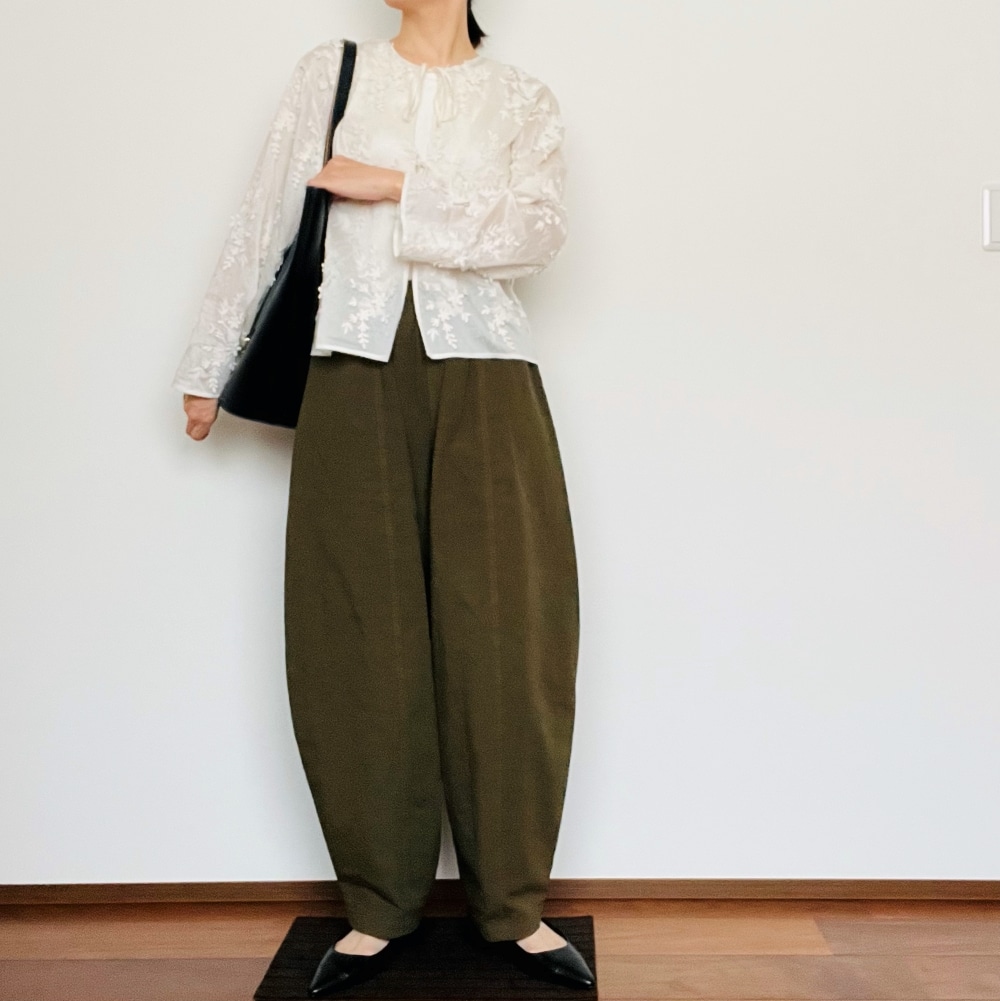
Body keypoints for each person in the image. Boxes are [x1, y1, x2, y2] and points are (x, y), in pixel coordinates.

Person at [172, 0, 592, 993]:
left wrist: (396, 187)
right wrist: (206, 365)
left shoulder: (522, 97)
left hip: (489, 374)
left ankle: (513, 904)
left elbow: (535, 234)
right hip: (349, 369)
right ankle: (377, 905)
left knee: (508, 631)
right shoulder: (333, 73)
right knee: (356, 628)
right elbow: (264, 217)